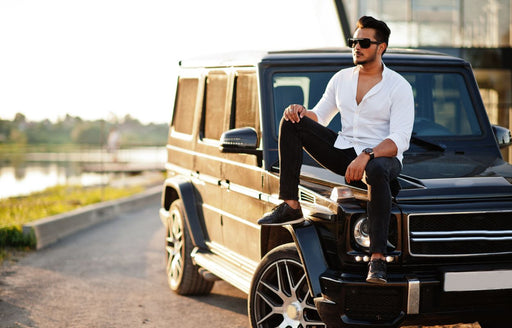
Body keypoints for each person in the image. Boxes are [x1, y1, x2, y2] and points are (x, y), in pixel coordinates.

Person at [257, 16, 415, 284]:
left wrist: (367, 155)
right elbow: (321, 114)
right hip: (344, 151)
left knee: (376, 169)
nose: (357, 47)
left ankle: (377, 259)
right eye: (354, 41)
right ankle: (290, 203)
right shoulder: (341, 79)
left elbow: (400, 139)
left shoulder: (398, 86)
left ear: (382, 47)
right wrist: (300, 112)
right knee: (292, 122)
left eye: (364, 42)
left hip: (382, 158)